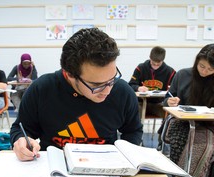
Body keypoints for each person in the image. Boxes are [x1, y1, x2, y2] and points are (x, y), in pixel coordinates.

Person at [10, 28, 143, 162]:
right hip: (55, 166)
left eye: (113, 79)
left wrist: (127, 157)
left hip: (105, 166)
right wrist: (21, 141)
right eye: (97, 85)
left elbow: (133, 131)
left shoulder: (123, 92)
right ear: (69, 74)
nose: (107, 90)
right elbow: (21, 128)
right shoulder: (41, 89)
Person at [162, 44, 214, 177]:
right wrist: (170, 101)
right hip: (182, 122)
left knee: (204, 145)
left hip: (209, 126)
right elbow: (167, 98)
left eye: (210, 69)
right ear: (196, 61)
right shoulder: (183, 75)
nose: (204, 71)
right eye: (202, 66)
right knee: (184, 142)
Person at [128, 46, 176, 118]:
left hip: (158, 103)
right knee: (134, 110)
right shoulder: (141, 68)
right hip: (141, 102)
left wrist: (170, 91)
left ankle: (164, 129)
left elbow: (174, 90)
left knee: (169, 113)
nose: (155, 66)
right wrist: (138, 88)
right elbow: (131, 85)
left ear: (163, 60)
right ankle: (137, 129)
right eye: (153, 63)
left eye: (158, 64)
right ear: (150, 58)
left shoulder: (170, 72)